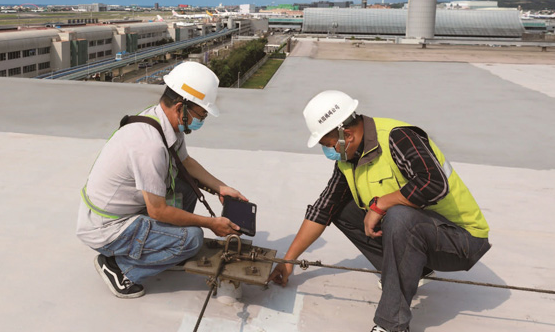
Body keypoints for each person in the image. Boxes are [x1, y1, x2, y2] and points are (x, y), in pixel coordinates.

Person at [268, 90, 490, 332]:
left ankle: (392, 325)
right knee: (341, 209)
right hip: (425, 237)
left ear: (347, 135)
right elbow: (323, 209)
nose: (329, 152)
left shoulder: (397, 137)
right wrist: (288, 261)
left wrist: (381, 204)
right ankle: (416, 270)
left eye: (329, 145)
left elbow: (433, 183)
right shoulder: (348, 160)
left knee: (399, 214)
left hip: (462, 240)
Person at [77, 61, 247, 298]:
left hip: (124, 212)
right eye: (201, 114)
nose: (202, 121)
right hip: (107, 228)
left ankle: (163, 248)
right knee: (193, 239)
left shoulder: (163, 122)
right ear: (181, 107)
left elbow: (186, 163)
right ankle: (119, 269)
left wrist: (221, 188)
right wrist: (210, 223)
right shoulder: (149, 146)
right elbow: (157, 211)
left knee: (186, 188)